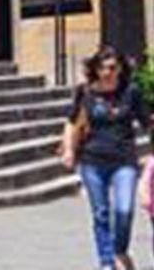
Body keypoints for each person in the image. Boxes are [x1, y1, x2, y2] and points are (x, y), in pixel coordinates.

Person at [63, 45, 148, 270]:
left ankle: (120, 250)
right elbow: (72, 122)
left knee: (124, 210)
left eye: (112, 67)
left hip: (124, 161)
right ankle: (107, 261)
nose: (107, 72)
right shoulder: (86, 92)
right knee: (101, 213)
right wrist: (70, 150)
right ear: (96, 70)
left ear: (120, 68)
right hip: (92, 161)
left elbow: (147, 122)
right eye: (102, 68)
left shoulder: (131, 92)